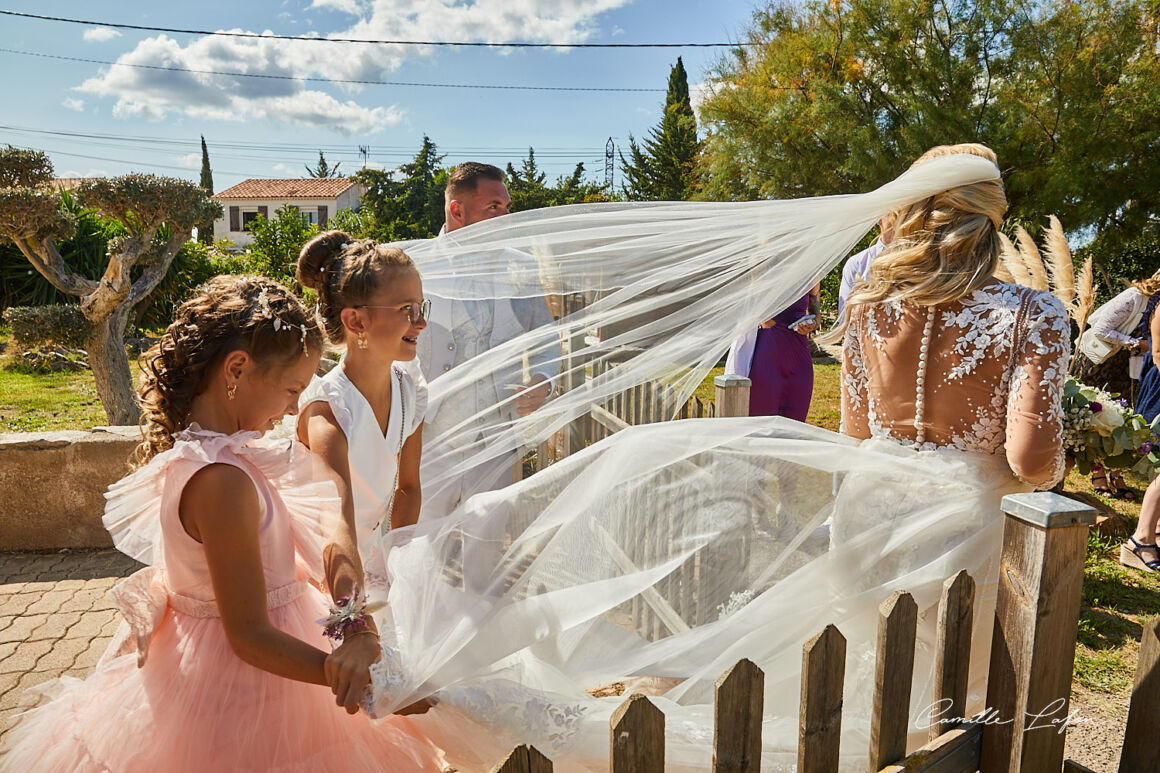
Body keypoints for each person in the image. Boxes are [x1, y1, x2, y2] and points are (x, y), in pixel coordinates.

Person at [346, 146, 1068, 771]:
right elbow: (1030, 456)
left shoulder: (872, 306)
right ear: (990, 216)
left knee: (871, 661)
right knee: (952, 680)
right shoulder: (1033, 313)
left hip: (872, 504)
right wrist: (1066, 457)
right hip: (962, 519)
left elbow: (853, 433)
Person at [0, 276, 442, 772]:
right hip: (244, 688)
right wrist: (357, 683)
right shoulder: (221, 480)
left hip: (251, 666)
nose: (294, 407)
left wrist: (357, 626)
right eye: (292, 389)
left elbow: (326, 536)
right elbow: (249, 635)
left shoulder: (223, 457)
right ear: (237, 369)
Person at [292, 231, 430, 708]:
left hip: (378, 569)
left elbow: (408, 489)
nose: (422, 322)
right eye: (407, 310)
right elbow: (336, 521)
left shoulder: (410, 391)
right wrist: (354, 621)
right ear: (355, 321)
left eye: (422, 306)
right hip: (325, 581)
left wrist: (395, 567)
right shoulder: (327, 412)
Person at [416, 162, 560, 517]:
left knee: (485, 553)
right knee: (420, 546)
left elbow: (545, 334)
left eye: (507, 207)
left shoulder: (520, 267)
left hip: (495, 438)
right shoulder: (414, 266)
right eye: (494, 208)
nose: (506, 218)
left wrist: (545, 379)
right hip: (427, 438)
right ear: (457, 211)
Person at [1073, 269, 1160, 496]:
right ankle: (1098, 473)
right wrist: (1136, 343)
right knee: (1098, 417)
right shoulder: (1134, 297)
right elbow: (1101, 329)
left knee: (1121, 419)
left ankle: (1117, 473)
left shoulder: (1156, 304)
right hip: (1100, 362)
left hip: (1127, 365)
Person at [725, 283, 821, 419]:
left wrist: (812, 324)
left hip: (799, 353)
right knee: (762, 418)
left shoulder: (812, 273)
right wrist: (765, 319)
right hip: (769, 349)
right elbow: (750, 302)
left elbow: (816, 313)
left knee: (796, 421)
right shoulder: (764, 265)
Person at [836, 214, 894, 318]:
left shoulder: (923, 263)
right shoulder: (856, 264)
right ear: (879, 218)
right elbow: (844, 317)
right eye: (893, 213)